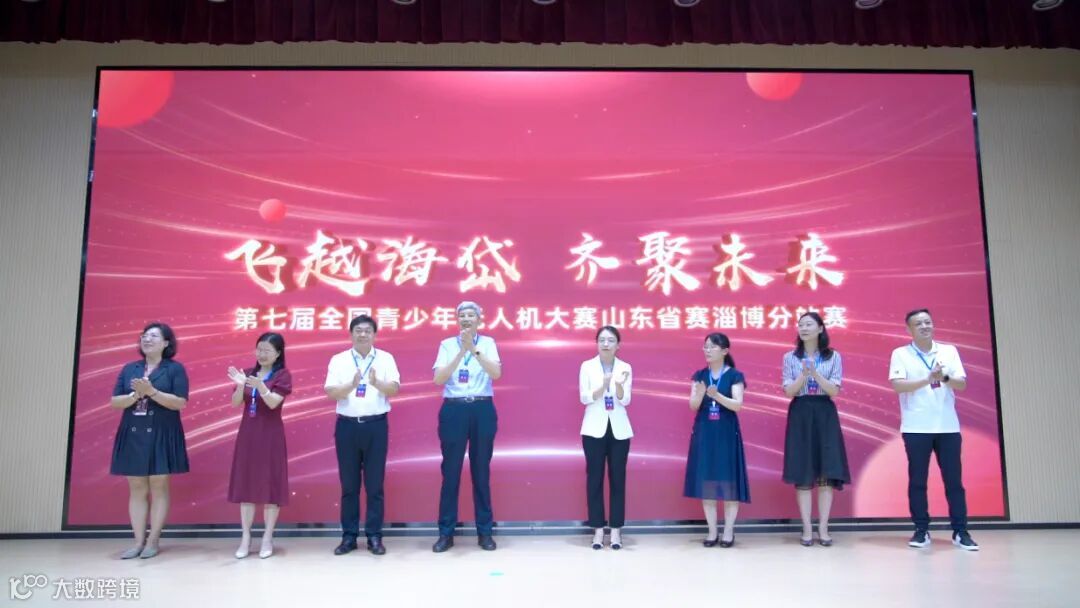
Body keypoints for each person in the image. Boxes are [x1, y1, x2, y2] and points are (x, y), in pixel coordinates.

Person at [889, 309, 978, 551]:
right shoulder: (901, 354)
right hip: (916, 427)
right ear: (909, 329)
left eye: (928, 322)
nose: (924, 327)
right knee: (918, 481)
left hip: (947, 426)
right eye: (918, 324)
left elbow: (961, 384)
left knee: (954, 481)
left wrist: (944, 377)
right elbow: (898, 386)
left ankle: (961, 531)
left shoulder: (949, 351)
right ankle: (921, 530)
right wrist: (927, 379)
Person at [109, 322, 190, 559]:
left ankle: (153, 540)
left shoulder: (174, 369)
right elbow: (115, 401)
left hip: (162, 432)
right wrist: (136, 395)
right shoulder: (130, 368)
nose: (147, 339)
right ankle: (137, 542)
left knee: (158, 485)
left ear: (166, 343)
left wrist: (152, 392)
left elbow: (180, 402)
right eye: (144, 336)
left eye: (154, 336)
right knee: (136, 487)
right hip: (133, 431)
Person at [324, 315, 400, 556]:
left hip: (376, 426)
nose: (363, 334)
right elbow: (331, 393)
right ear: (351, 334)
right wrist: (351, 384)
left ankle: (374, 536)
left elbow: (394, 389)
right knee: (349, 486)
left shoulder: (386, 358)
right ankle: (349, 537)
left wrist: (376, 382)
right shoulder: (339, 360)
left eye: (367, 330)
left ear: (374, 334)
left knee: (375, 486)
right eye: (358, 330)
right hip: (347, 427)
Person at [431, 301, 502, 552]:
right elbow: (439, 378)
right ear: (457, 319)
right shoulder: (446, 345)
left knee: (481, 472)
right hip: (454, 409)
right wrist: (461, 351)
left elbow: (496, 374)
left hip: (482, 409)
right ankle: (446, 533)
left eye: (472, 315)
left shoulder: (488, 343)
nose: (467, 318)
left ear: (479, 320)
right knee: (450, 473)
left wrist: (474, 350)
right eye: (462, 315)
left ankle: (485, 532)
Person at [781, 312, 850, 547]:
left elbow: (834, 391)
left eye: (809, 324)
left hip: (824, 412)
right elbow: (789, 391)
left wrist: (815, 373)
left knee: (825, 472)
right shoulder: (790, 357)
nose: (804, 328)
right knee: (803, 471)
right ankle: (807, 528)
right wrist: (804, 374)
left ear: (821, 328)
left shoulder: (833, 356)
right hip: (800, 412)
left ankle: (823, 528)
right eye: (800, 325)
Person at [227, 332, 293, 559]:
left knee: (270, 487)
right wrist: (239, 386)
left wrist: (262, 388)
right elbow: (236, 403)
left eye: (267, 350)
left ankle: (267, 537)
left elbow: (274, 403)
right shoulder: (247, 373)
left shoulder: (282, 375)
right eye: (259, 349)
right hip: (248, 434)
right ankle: (245, 537)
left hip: (271, 435)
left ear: (278, 353)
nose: (262, 354)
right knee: (246, 486)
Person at [685, 332, 749, 548]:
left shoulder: (735, 375)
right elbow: (693, 405)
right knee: (708, 481)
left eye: (712, 346)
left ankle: (728, 531)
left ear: (725, 351)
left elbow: (737, 405)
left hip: (726, 433)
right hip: (705, 431)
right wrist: (700, 393)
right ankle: (712, 531)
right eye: (705, 346)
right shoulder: (700, 375)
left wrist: (716, 395)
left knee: (729, 481)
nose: (707, 350)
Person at [579, 326, 633, 550]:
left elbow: (626, 400)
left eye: (611, 340)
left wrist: (618, 385)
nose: (606, 344)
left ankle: (616, 530)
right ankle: (598, 530)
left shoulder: (625, 367)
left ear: (618, 345)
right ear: (596, 343)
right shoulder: (587, 366)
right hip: (593, 429)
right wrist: (603, 385)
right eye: (601, 340)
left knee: (618, 479)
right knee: (594, 479)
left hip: (619, 429)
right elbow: (584, 397)